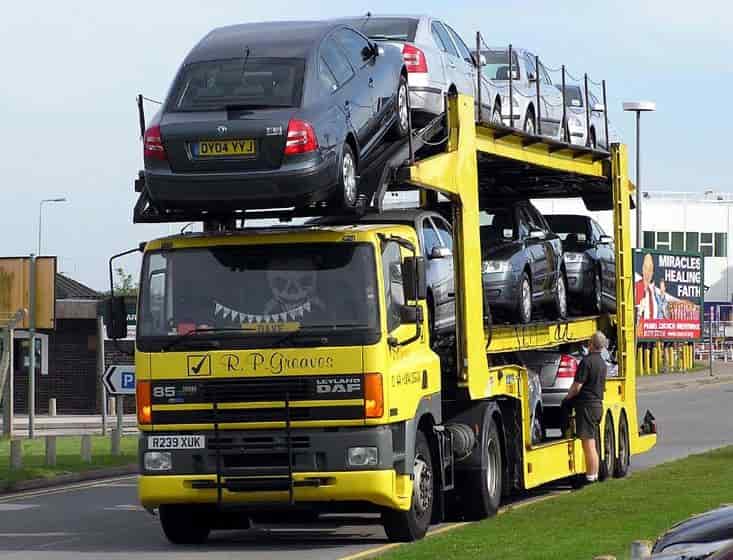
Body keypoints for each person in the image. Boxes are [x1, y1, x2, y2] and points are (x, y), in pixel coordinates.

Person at [562, 331, 608, 483]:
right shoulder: (602, 363)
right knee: (592, 442)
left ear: (591, 344)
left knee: (588, 444)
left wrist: (567, 398)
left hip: (586, 406)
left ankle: (590, 477)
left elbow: (577, 387)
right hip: (597, 405)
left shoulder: (586, 362)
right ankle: (593, 475)